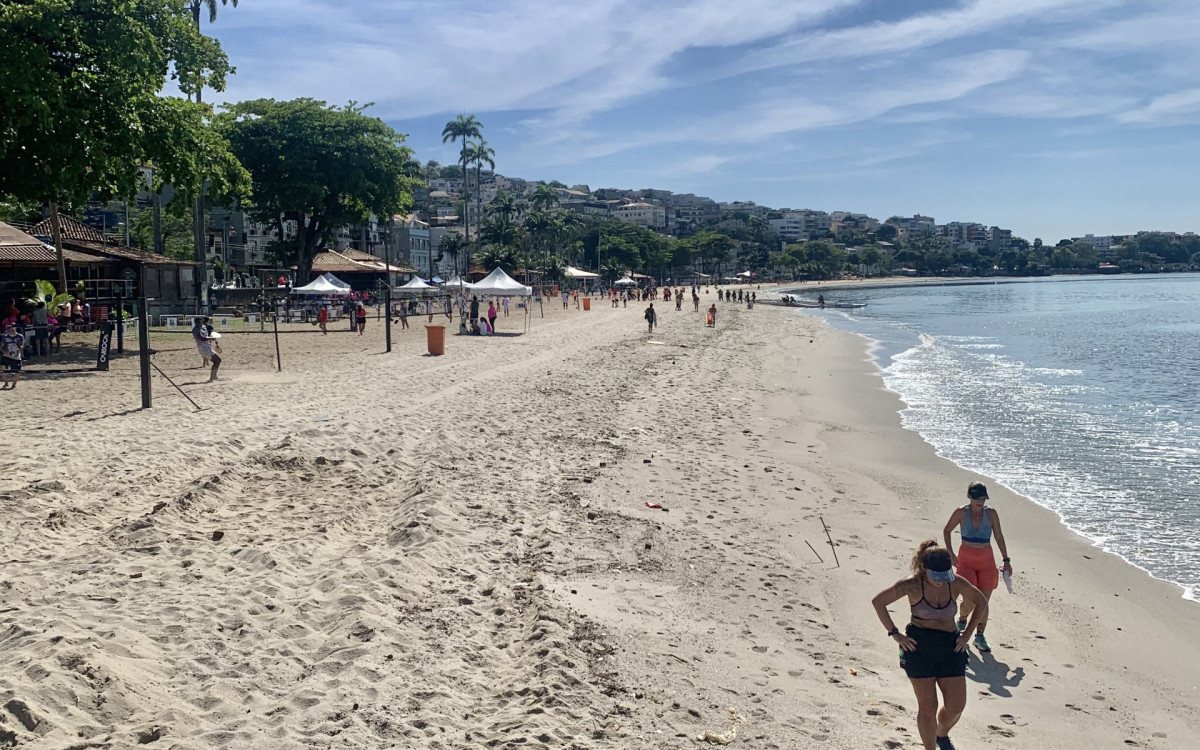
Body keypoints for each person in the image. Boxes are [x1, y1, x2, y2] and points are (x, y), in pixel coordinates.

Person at [872, 541, 988, 750]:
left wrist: (967, 634)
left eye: (946, 575)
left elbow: (981, 601)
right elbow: (878, 602)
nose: (942, 582)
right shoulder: (912, 584)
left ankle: (940, 734)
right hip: (919, 647)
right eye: (937, 576)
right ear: (925, 568)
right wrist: (895, 634)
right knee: (928, 707)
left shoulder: (956, 583)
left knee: (956, 706)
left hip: (951, 646)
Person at [942, 482, 1011, 653]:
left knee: (984, 601)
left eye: (983, 498)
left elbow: (999, 536)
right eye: (976, 498)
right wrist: (950, 554)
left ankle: (979, 636)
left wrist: (1006, 559)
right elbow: (947, 530)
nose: (980, 502)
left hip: (986, 560)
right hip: (966, 560)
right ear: (969, 497)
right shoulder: (961, 512)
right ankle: (963, 618)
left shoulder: (992, 514)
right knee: (971, 600)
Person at [191, 317, 221, 382]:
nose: (200, 322)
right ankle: (213, 377)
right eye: (199, 321)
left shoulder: (204, 327)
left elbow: (207, 335)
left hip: (208, 347)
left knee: (217, 361)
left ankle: (213, 376)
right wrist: (211, 338)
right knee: (217, 361)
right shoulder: (195, 329)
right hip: (203, 349)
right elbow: (202, 338)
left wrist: (213, 338)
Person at [1, 321, 25, 389]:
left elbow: (22, 346)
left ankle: (13, 385)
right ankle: (6, 382)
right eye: (10, 327)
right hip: (7, 355)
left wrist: (19, 349)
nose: (12, 328)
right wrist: (5, 352)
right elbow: (1, 347)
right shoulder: (5, 336)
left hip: (16, 356)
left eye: (13, 327)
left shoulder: (20, 336)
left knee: (18, 372)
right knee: (1, 369)